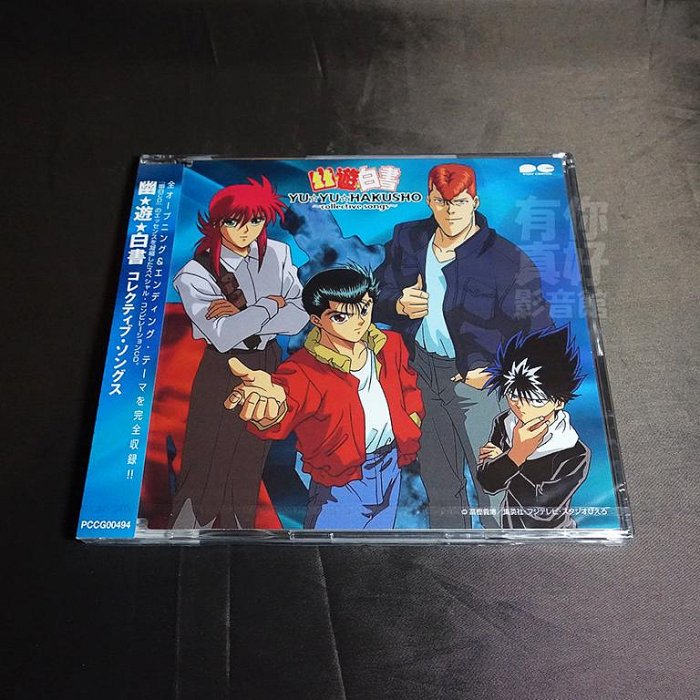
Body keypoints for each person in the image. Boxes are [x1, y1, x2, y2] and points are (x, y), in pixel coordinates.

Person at [374, 162, 553, 528]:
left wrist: (498, 373)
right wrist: (396, 304)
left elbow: (539, 333)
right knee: (439, 481)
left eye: (459, 202)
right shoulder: (409, 238)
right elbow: (375, 292)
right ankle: (451, 549)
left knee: (493, 482)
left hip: (479, 384)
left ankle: (505, 549)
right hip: (421, 373)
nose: (450, 211)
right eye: (442, 201)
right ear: (429, 200)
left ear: (474, 202)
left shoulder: (507, 260)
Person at [223, 265, 424, 530]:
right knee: (331, 544)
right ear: (317, 320)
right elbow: (284, 401)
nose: (358, 321)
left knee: (379, 542)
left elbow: (408, 386)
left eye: (364, 309)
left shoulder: (390, 346)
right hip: (341, 478)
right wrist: (268, 406)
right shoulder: (304, 369)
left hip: (390, 464)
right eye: (340, 317)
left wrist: (411, 420)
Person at [169, 177, 308, 529]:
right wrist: (269, 305)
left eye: (256, 220)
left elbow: (299, 316)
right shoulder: (195, 273)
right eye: (234, 221)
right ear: (217, 223)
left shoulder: (277, 254)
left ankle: (240, 533)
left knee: (250, 456)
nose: (246, 230)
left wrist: (246, 315)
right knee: (206, 458)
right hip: (223, 366)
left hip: (269, 361)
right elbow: (223, 335)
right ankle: (186, 532)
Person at [477, 325, 590, 528]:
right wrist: (513, 457)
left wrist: (514, 456)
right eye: (513, 396)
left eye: (535, 400)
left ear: (559, 402)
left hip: (555, 535)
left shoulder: (575, 452)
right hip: (509, 528)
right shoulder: (504, 423)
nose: (521, 407)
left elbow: (541, 509)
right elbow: (488, 483)